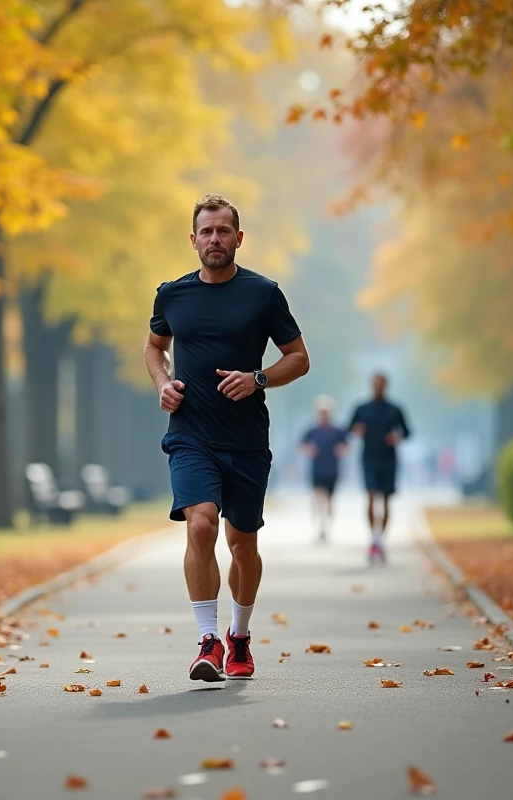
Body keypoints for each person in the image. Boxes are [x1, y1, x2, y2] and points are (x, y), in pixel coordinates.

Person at [144, 194, 309, 682]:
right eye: (206, 232)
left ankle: (239, 636)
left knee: (242, 544)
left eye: (223, 231)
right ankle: (208, 639)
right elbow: (156, 347)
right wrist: (162, 383)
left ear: (239, 238)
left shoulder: (263, 294)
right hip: (191, 433)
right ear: (193, 240)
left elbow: (298, 357)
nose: (214, 240)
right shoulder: (172, 295)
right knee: (200, 526)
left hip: (246, 439)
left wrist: (257, 378)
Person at [347, 372, 410, 563]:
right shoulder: (361, 409)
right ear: (371, 386)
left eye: (381, 385)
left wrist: (396, 436)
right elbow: (348, 428)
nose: (378, 388)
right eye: (375, 385)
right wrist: (356, 430)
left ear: (386, 386)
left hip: (388, 460)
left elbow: (407, 432)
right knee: (371, 495)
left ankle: (379, 539)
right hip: (369, 459)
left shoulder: (395, 409)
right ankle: (373, 539)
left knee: (386, 501)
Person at [298, 396, 348, 542]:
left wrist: (341, 449)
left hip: (332, 470)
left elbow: (346, 445)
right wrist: (309, 449)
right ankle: (319, 526)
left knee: (330, 501)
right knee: (318, 498)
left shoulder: (337, 431)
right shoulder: (312, 430)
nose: (324, 414)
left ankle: (327, 526)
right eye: (321, 412)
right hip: (317, 470)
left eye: (326, 412)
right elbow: (301, 444)